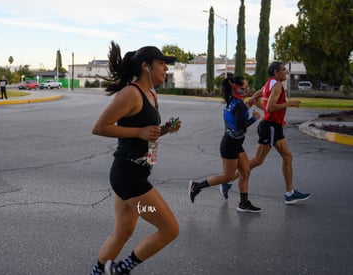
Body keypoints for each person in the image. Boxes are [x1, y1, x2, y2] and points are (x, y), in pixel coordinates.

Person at [90, 41, 181, 275]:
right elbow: (99, 127)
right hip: (130, 179)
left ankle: (98, 272)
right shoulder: (131, 93)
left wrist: (165, 130)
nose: (166, 69)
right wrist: (138, 132)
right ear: (146, 66)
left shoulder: (151, 94)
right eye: (162, 63)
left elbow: (146, 132)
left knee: (123, 232)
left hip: (132, 175)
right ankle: (121, 270)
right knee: (169, 229)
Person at [224, 61, 310, 204]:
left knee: (287, 157)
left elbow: (255, 98)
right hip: (270, 127)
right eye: (283, 70)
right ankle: (228, 180)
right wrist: (289, 103)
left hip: (272, 126)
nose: (286, 72)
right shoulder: (276, 86)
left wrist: (273, 115)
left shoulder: (269, 83)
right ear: (276, 73)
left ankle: (290, 193)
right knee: (259, 160)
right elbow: (270, 107)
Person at [188, 76, 261, 213]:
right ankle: (197, 186)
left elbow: (237, 114)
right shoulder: (238, 104)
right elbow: (240, 127)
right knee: (228, 176)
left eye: (247, 87)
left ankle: (244, 203)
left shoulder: (232, 101)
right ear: (235, 88)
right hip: (230, 145)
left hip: (235, 143)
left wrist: (248, 106)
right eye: (243, 88)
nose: (246, 90)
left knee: (245, 172)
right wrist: (254, 118)